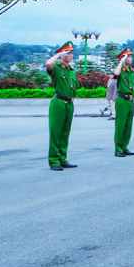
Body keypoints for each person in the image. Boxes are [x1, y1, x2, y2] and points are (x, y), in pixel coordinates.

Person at [46, 42, 79, 171]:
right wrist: (59, 54)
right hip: (59, 102)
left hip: (69, 103)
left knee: (65, 132)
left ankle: (62, 158)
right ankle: (54, 160)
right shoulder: (57, 68)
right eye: (68, 53)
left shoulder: (71, 71)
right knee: (56, 132)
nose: (70, 55)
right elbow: (48, 64)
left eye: (71, 53)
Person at [113, 48, 134, 157]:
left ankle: (124, 146)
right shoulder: (120, 70)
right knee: (120, 125)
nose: (130, 58)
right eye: (128, 56)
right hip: (122, 99)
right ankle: (118, 148)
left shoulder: (132, 72)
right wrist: (121, 62)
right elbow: (115, 75)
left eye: (131, 56)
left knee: (128, 125)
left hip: (130, 100)